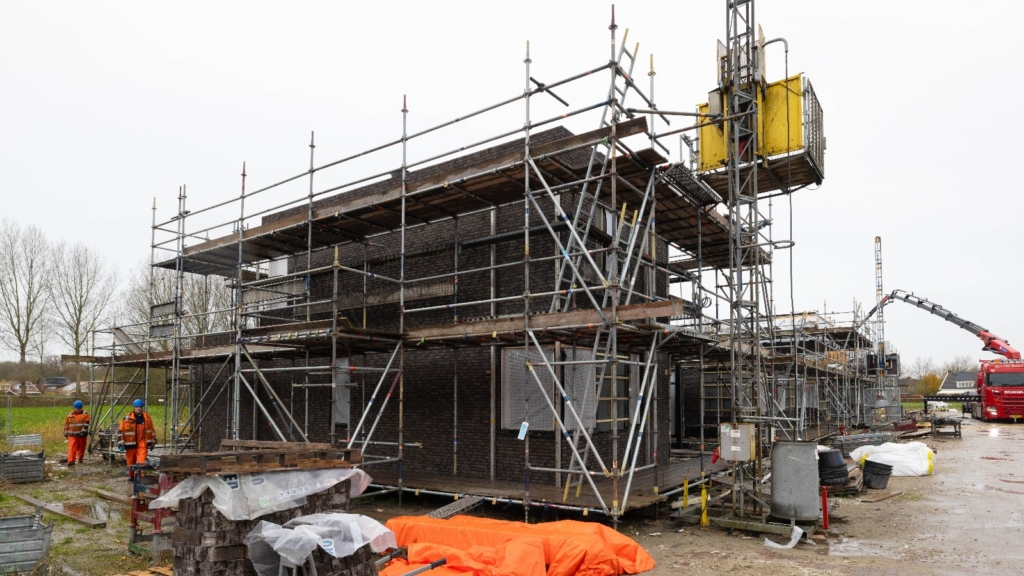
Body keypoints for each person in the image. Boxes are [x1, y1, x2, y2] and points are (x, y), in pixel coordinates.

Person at [118, 399, 156, 479]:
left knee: (141, 460)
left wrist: (153, 442)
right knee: (131, 461)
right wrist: (120, 443)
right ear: (134, 407)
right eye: (137, 407)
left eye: (140, 407)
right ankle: (131, 476)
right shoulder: (127, 419)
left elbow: (151, 430)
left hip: (142, 442)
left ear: (142, 407)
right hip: (130, 443)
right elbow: (121, 431)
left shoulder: (147, 418)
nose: (138, 408)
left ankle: (140, 476)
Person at [63, 400, 90, 466]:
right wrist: (66, 433)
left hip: (81, 435)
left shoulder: (85, 414)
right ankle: (71, 461)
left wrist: (83, 432)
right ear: (74, 408)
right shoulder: (69, 415)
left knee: (81, 448)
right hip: (72, 435)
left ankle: (80, 459)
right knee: (72, 448)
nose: (78, 410)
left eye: (79, 408)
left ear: (81, 407)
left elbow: (86, 424)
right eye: (77, 408)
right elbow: (66, 425)